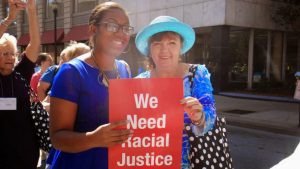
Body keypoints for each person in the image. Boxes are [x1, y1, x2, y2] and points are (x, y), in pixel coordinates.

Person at [49, 2, 133, 169]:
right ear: (93, 30)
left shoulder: (124, 69)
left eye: (125, 28)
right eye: (112, 25)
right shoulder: (71, 72)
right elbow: (57, 138)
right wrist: (93, 138)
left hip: (116, 162)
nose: (120, 33)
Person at [135, 16, 219, 169]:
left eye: (172, 42)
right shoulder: (138, 82)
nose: (164, 50)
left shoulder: (197, 74)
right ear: (149, 49)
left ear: (181, 46)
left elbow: (211, 116)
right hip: (150, 161)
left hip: (190, 163)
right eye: (157, 43)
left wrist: (199, 117)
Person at [0, 0, 40, 168]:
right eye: (4, 53)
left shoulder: (21, 72)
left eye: (12, 53)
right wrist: (10, 18)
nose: (10, 57)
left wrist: (31, 10)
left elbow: (35, 44)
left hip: (26, 150)